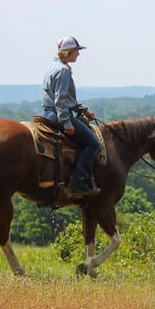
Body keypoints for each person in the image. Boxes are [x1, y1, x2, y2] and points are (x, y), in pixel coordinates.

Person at [42, 36, 101, 196]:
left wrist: (83, 110)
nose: (79, 54)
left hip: (47, 113)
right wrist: (66, 122)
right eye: (77, 51)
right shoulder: (63, 70)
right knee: (93, 144)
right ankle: (79, 183)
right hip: (58, 115)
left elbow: (66, 98)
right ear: (70, 51)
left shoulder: (53, 66)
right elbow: (60, 100)